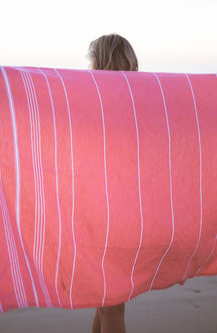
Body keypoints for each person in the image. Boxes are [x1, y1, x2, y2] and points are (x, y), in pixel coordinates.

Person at [88, 33, 138, 333]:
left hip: (105, 216)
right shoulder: (140, 104)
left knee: (111, 304)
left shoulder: (94, 104)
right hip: (131, 214)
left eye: (91, 60)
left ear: (101, 62)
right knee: (106, 301)